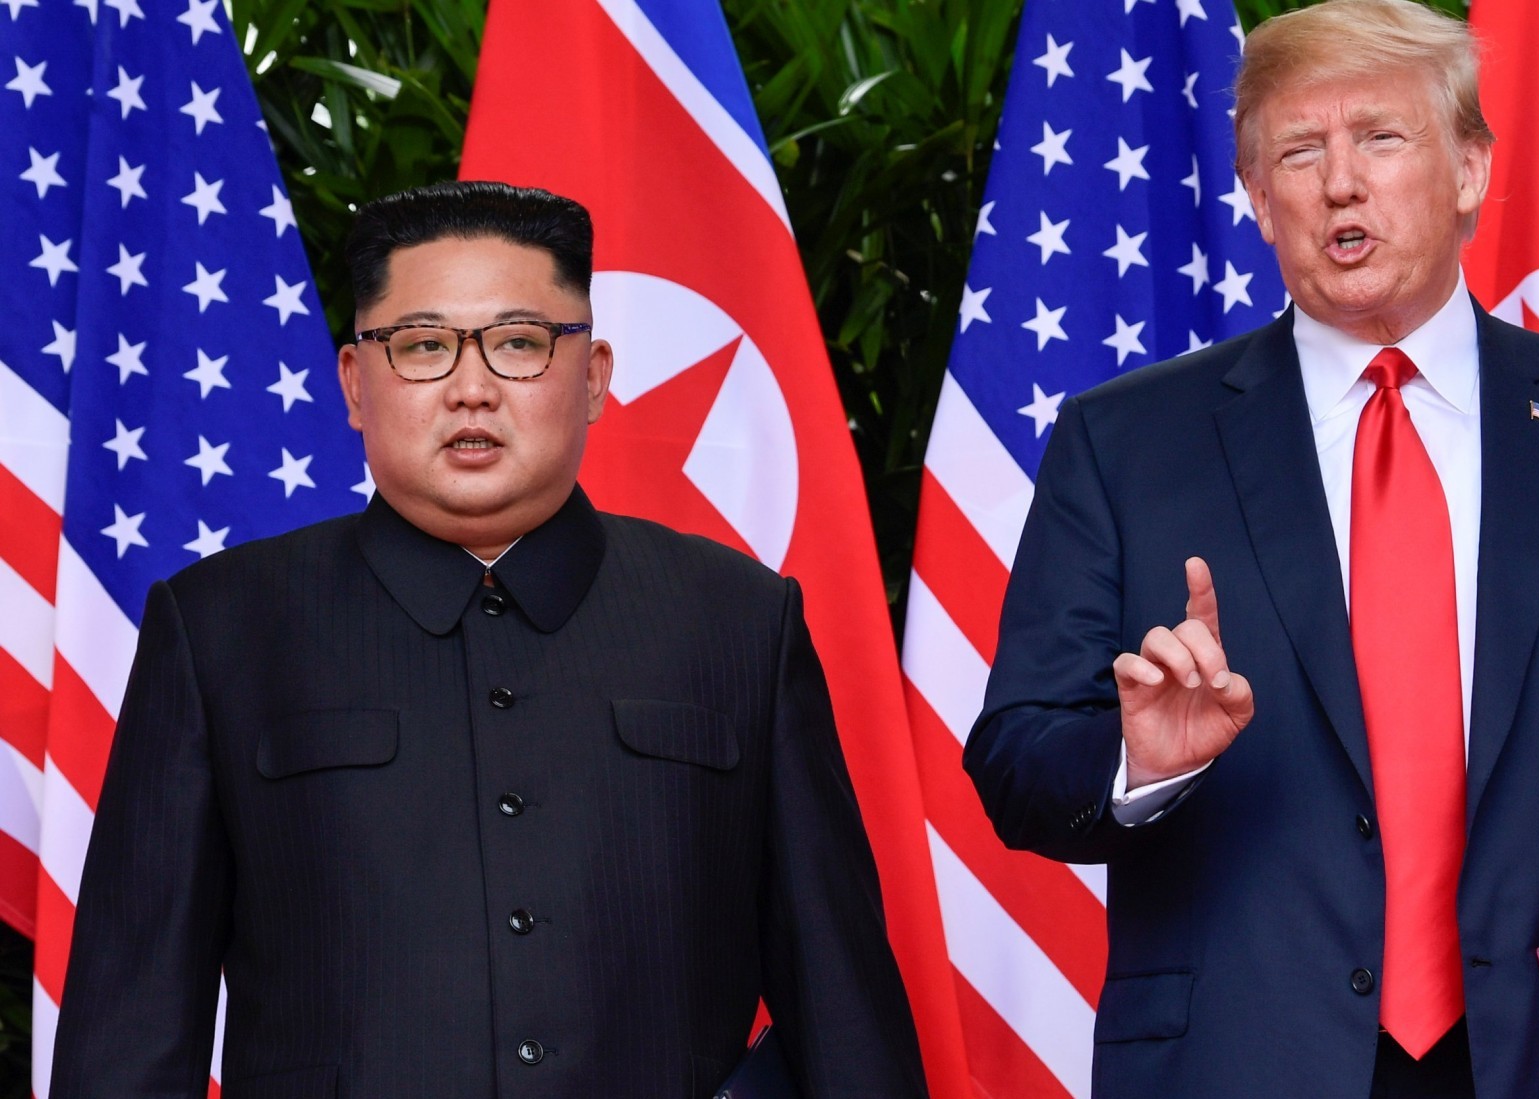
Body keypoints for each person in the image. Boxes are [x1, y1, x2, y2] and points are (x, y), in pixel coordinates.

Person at [963, 2, 1539, 1097]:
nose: (1340, 183)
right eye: (1298, 153)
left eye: (1380, 137)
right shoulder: (1123, 444)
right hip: (1242, 1064)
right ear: (1259, 202)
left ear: (1469, 169)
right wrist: (1142, 761)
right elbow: (1016, 754)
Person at [51, 181, 928, 1098]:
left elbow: (845, 1020)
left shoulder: (738, 621)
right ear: (355, 383)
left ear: (591, 379)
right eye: (423, 345)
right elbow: (133, 1033)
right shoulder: (224, 627)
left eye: (518, 344)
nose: (472, 389)